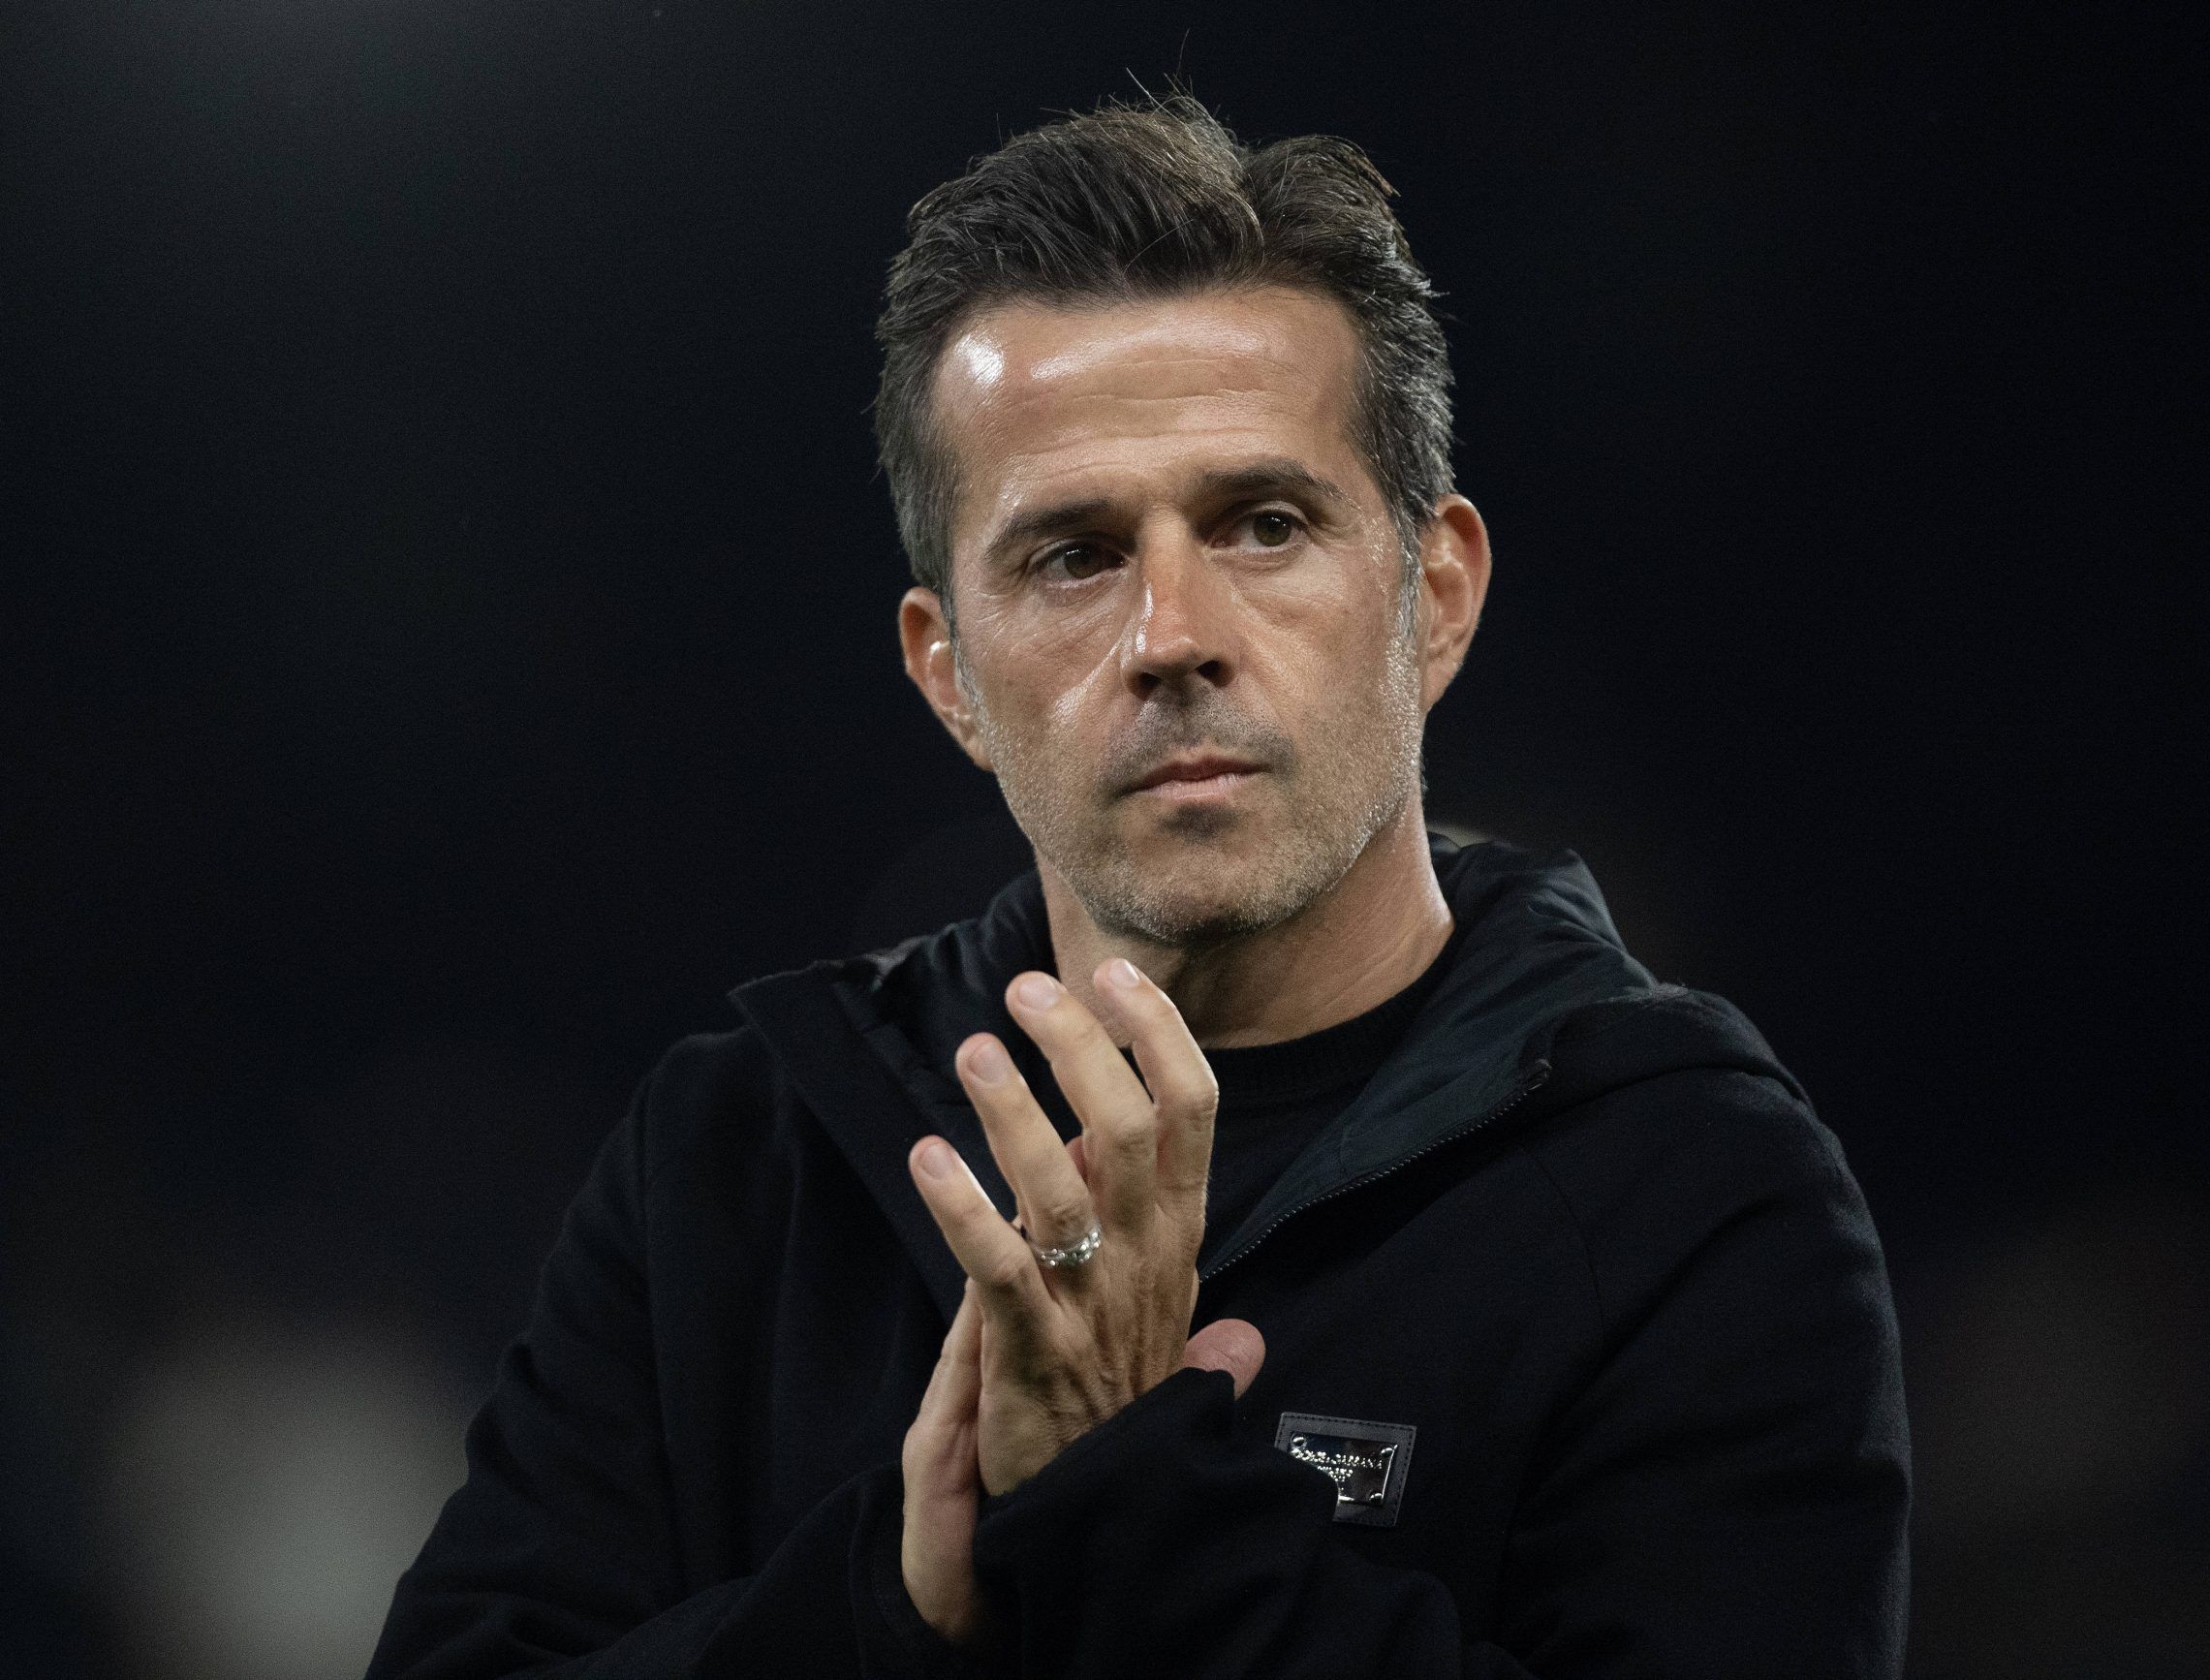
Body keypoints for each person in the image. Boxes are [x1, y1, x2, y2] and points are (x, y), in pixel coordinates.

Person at [366, 95, 1910, 1679]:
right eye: (1073, 555)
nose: (1173, 631)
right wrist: (897, 1608)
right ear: (948, 672)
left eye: (1262, 522)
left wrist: (1133, 1501)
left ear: (1433, 599)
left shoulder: (1692, 1189)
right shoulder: (739, 1159)